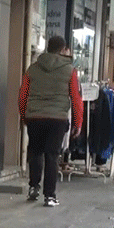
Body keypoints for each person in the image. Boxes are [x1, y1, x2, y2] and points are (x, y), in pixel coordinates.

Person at [18, 35, 84, 207]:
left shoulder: (32, 69)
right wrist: (78, 122)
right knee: (52, 156)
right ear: (63, 50)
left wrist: (25, 116)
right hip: (57, 118)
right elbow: (76, 99)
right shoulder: (70, 70)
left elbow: (23, 95)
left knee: (35, 152)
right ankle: (50, 196)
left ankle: (34, 187)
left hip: (35, 117)